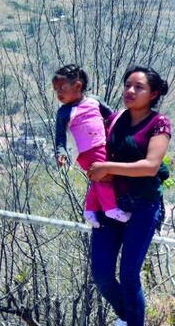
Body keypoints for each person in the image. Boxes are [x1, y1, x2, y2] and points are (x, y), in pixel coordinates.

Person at [86, 66, 173, 326]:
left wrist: (109, 167)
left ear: (154, 93)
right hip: (109, 206)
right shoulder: (116, 120)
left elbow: (150, 165)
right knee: (101, 274)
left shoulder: (159, 124)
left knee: (129, 273)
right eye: (127, 85)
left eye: (138, 87)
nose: (130, 91)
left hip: (143, 207)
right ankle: (126, 317)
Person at [52, 64, 124, 227]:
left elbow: (111, 116)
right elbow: (60, 136)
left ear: (78, 86)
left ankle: (90, 210)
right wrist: (60, 152)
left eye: (62, 88)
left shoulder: (94, 101)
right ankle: (111, 208)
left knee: (97, 177)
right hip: (86, 150)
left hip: (102, 144)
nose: (59, 93)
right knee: (104, 175)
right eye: (56, 90)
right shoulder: (63, 112)